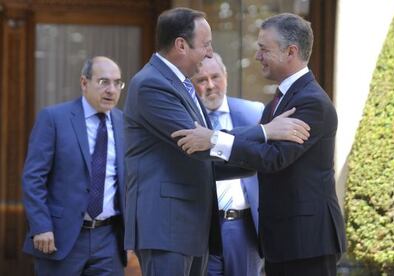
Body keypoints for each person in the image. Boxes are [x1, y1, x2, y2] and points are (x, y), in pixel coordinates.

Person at [123, 7, 310, 276]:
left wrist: (265, 161)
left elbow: (209, 157)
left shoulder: (181, 85)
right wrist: (266, 131)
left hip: (190, 227)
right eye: (206, 44)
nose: (210, 53)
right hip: (167, 226)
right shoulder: (152, 85)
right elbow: (198, 145)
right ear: (181, 45)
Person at [172, 13, 347, 276]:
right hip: (283, 241)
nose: (257, 56)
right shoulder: (279, 102)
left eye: (264, 49)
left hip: (307, 242)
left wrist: (214, 139)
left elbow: (272, 158)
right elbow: (253, 157)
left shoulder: (312, 103)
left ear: (291, 51)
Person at [22, 56, 127, 275]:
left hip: (109, 239)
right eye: (103, 82)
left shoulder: (124, 124)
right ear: (84, 82)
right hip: (61, 237)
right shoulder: (53, 118)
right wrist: (41, 226)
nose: (111, 89)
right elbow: (34, 177)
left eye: (117, 83)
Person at [192, 52, 263, 276]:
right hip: (201, 229)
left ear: (226, 76)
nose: (210, 85)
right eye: (202, 80)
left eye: (216, 77)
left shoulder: (254, 113)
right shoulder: (186, 120)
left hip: (244, 227)